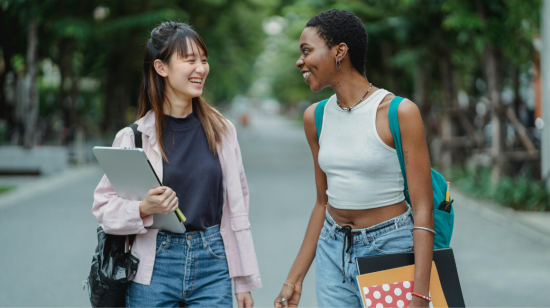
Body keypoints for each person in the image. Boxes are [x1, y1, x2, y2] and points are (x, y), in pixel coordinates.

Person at [92, 21, 261, 307]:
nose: (201, 69)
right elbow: (103, 210)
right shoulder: (133, 137)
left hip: (213, 264)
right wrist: (143, 208)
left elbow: (238, 209)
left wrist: (242, 281)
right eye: (190, 60)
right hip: (154, 267)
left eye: (204, 60)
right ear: (161, 68)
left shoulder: (223, 131)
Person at [275, 9, 435, 308]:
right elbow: (322, 203)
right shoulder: (316, 117)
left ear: (340, 52)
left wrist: (421, 293)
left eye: (307, 51)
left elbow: (424, 208)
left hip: (389, 247)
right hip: (332, 250)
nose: (300, 61)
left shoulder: (399, 113)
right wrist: (294, 279)